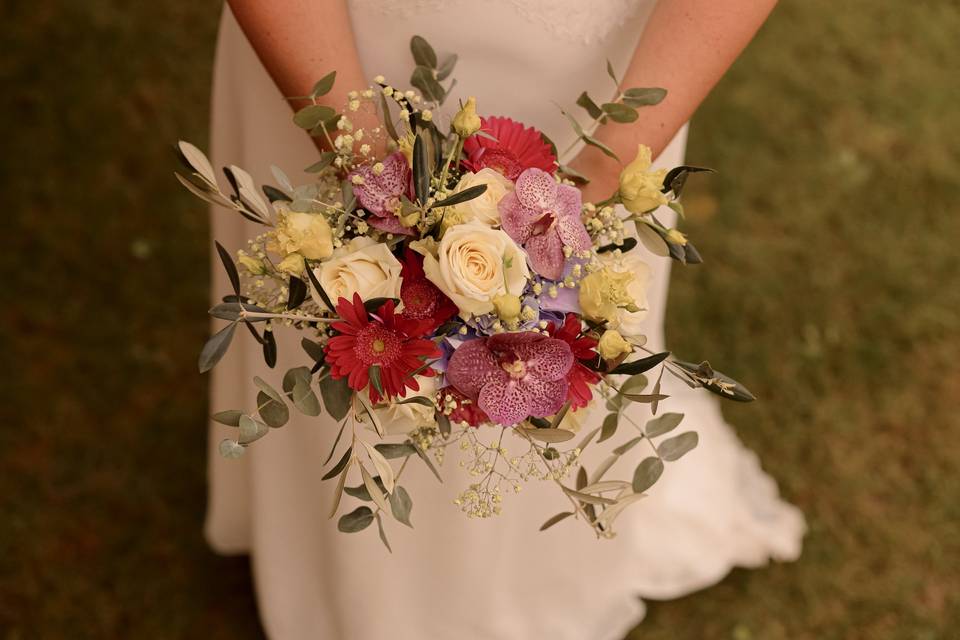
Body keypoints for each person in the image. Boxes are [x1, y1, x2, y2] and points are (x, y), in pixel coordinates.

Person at [206, 1, 805, 638]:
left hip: (607, 78)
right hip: (332, 49)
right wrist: (375, 173)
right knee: (333, 310)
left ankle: (530, 577)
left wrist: (598, 186)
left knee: (565, 356)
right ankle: (349, 580)